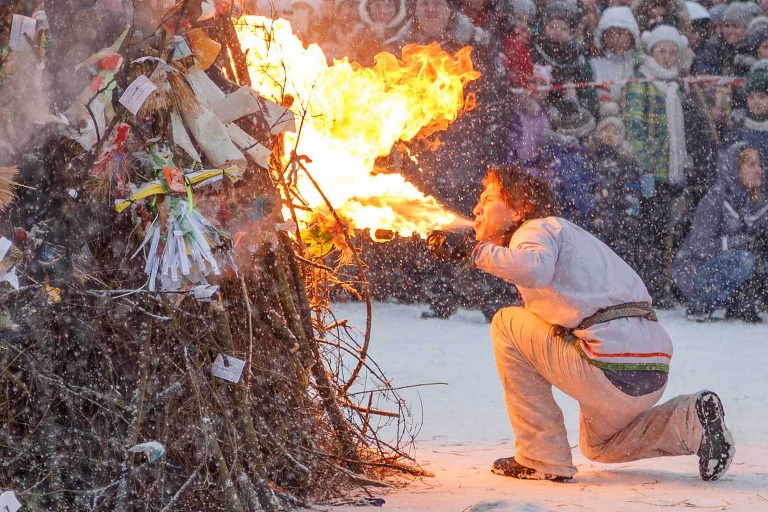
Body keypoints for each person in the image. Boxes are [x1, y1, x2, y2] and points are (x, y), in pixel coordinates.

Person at [425, 165, 735, 482]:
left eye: (488, 198)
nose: (476, 207)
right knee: (600, 446)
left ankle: (540, 457)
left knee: (506, 324)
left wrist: (474, 251)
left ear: (519, 208)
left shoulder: (535, 229)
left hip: (611, 367)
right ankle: (691, 421)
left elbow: (534, 269)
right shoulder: (567, 236)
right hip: (649, 371)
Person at [620, 24, 691, 307]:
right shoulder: (642, 83)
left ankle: (661, 285)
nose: (667, 56)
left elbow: (681, 135)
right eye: (662, 50)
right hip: (648, 171)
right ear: (652, 51)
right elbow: (633, 127)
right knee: (646, 232)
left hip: (670, 171)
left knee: (665, 229)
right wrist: (645, 165)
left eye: (672, 52)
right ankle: (647, 287)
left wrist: (681, 167)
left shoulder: (677, 87)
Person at [672, 142, 767, 322]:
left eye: (760, 165)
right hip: (695, 269)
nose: (759, 170)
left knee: (756, 257)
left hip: (723, 266)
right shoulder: (715, 199)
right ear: (734, 168)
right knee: (744, 260)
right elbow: (699, 247)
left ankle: (742, 304)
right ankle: (701, 305)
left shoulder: (756, 201)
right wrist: (737, 242)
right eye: (751, 165)